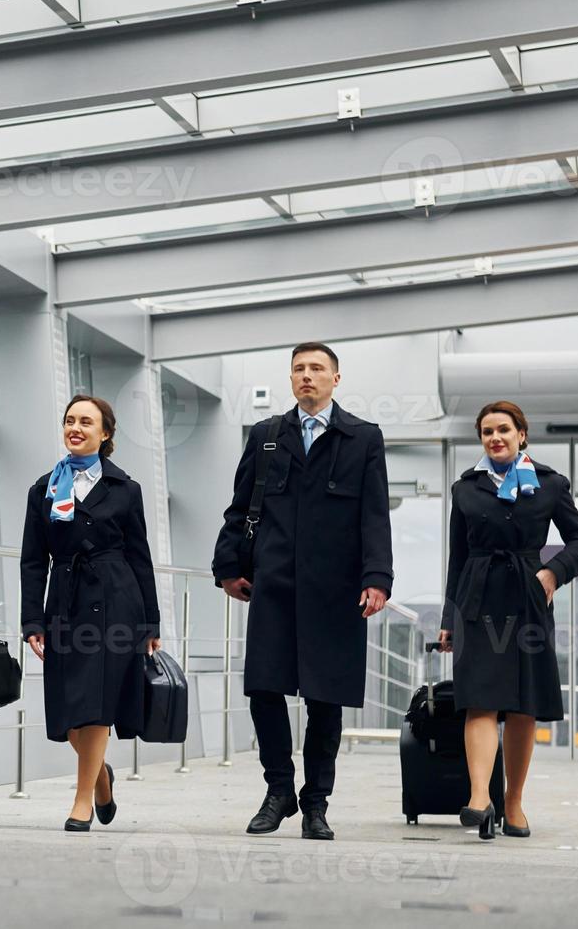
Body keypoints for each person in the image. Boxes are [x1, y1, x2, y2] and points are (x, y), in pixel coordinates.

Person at [212, 342, 394, 841]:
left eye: (317, 369)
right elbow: (240, 505)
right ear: (291, 380)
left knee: (325, 697)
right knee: (263, 688)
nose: (307, 376)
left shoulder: (363, 437)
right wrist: (227, 566)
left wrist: (377, 578)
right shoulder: (267, 436)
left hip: (335, 589)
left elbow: (374, 514)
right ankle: (278, 790)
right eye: (299, 369)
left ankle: (316, 803)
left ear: (336, 378)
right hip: (273, 582)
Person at [437, 401, 578, 839]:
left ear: (521, 434)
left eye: (503, 429)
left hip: (528, 598)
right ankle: (478, 798)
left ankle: (514, 802)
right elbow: (458, 557)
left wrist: (552, 572)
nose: (495, 437)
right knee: (479, 699)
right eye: (487, 431)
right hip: (476, 599)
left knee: (523, 705)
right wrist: (449, 615)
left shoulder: (549, 484)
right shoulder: (465, 488)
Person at [21, 394, 163, 832]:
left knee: (97, 703)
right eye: (69, 420)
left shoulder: (126, 488)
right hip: (64, 602)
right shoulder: (43, 488)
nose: (75, 427)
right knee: (68, 712)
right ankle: (100, 775)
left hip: (115, 602)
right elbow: (32, 560)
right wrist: (31, 621)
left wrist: (151, 622)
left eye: (86, 421)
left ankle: (81, 799)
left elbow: (140, 557)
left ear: (105, 434)